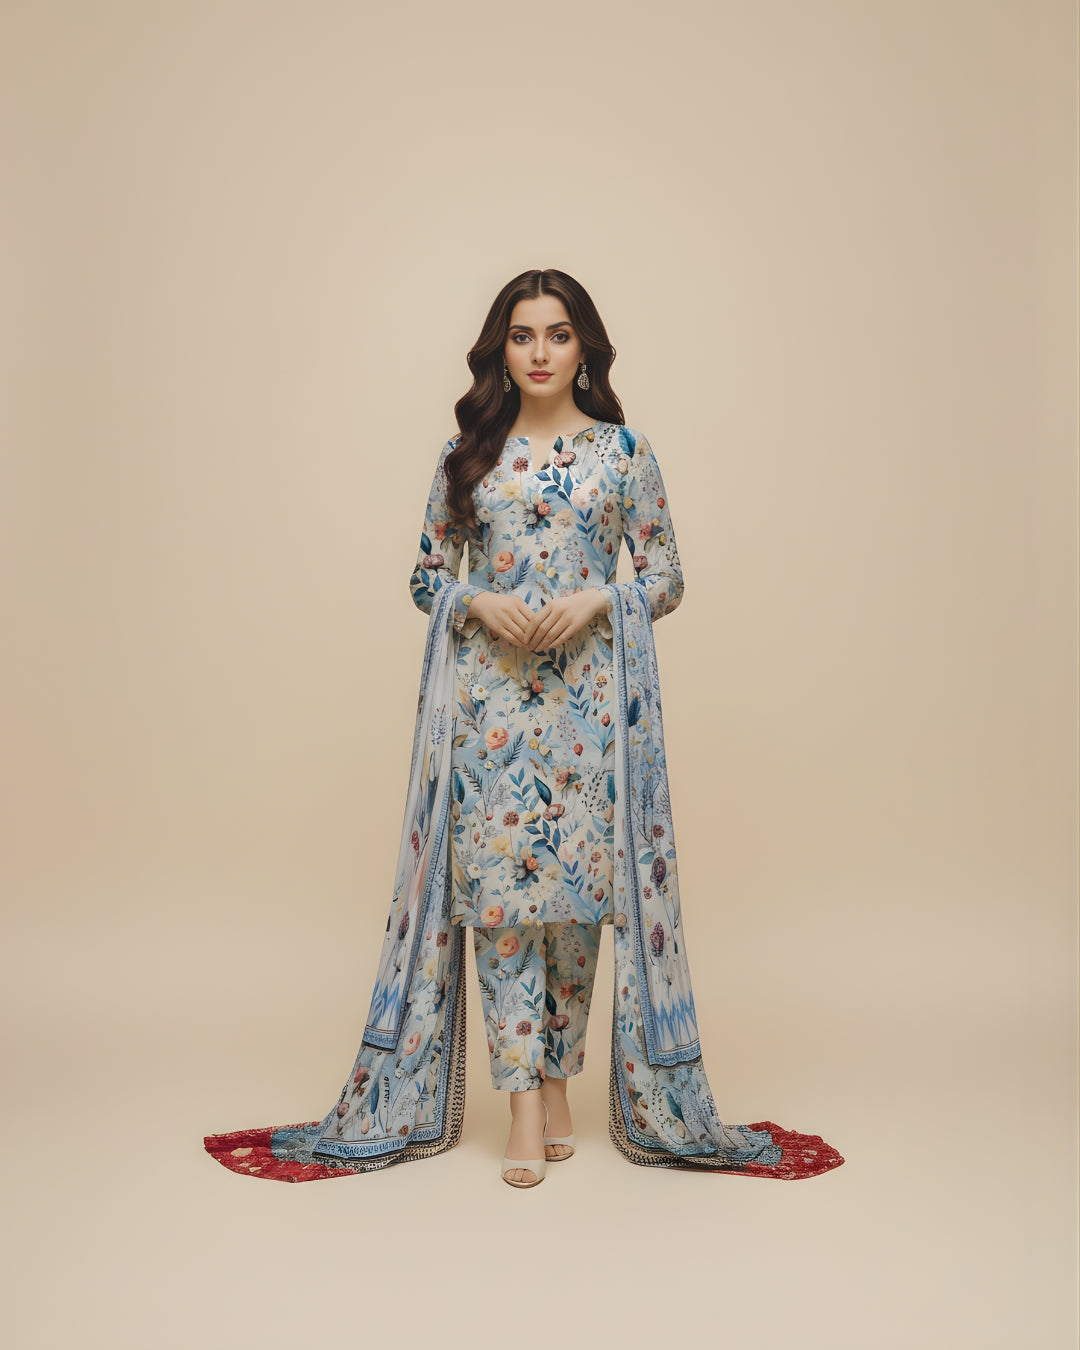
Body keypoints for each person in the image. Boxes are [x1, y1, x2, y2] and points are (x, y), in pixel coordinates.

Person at [202, 270, 844, 1189]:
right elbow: (427, 575)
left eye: (558, 334)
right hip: (490, 710)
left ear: (585, 348)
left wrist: (599, 600)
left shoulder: (624, 454)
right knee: (501, 904)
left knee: (577, 910)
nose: (540, 352)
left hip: (591, 712)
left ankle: (555, 1082)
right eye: (522, 335)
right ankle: (521, 1111)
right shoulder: (468, 455)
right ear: (499, 351)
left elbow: (665, 575)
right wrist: (477, 602)